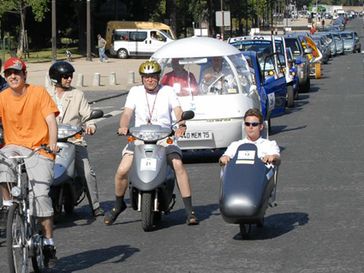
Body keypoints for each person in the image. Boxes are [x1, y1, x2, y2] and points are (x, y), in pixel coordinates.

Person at [104, 60, 199, 226]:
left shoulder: (168, 91)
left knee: (177, 164)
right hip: (140, 137)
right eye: (146, 77)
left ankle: (189, 210)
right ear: (142, 78)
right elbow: (127, 113)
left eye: (153, 76)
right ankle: (118, 204)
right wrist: (123, 126)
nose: (150, 80)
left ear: (158, 77)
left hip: (164, 137)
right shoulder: (135, 92)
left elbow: (178, 111)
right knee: (122, 169)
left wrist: (181, 125)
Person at [0, 57, 59, 268]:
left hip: (39, 148)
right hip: (13, 146)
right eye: (8, 74)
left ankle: (49, 242)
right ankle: (9, 205)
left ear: (25, 74)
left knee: (41, 196)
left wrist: (52, 143)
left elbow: (51, 121)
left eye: (16, 72)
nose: (12, 76)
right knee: (1, 162)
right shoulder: (2, 97)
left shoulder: (38, 93)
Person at [47, 61, 104, 217]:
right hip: (50, 142)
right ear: (56, 78)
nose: (69, 79)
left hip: (74, 141)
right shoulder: (45, 94)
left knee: (86, 171)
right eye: (65, 76)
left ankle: (95, 205)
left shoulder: (77, 94)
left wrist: (90, 125)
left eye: (70, 76)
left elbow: (87, 115)